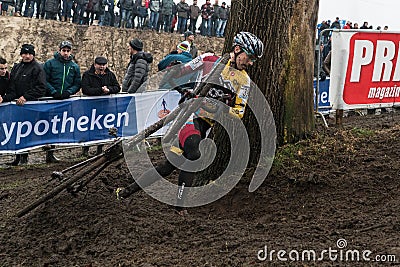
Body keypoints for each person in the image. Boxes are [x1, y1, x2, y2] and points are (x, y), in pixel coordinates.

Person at [115, 32, 264, 216]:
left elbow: (239, 113)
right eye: (249, 57)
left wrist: (220, 109)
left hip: (206, 126)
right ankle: (179, 207)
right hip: (188, 116)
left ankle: (124, 192)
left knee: (167, 166)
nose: (250, 63)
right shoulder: (209, 59)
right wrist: (174, 69)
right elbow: (182, 70)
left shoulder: (244, 81)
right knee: (194, 155)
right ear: (237, 49)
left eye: (253, 60)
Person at [0, 44, 46, 165]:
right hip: (16, 106)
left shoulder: (38, 68)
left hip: (29, 105)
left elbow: (41, 88)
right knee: (17, 130)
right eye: (25, 54)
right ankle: (17, 156)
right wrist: (5, 98)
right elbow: (11, 86)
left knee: (26, 131)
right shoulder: (17, 67)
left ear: (33, 55)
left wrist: (26, 97)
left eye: (30, 54)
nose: (27, 56)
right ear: (21, 55)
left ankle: (24, 157)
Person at [43, 40, 81, 163]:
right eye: (63, 50)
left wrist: (69, 92)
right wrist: (53, 91)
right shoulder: (50, 63)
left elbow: (77, 83)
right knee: (45, 125)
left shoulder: (74, 67)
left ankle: (51, 153)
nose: (65, 53)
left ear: (71, 52)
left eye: (68, 51)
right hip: (49, 99)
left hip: (64, 100)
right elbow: (44, 80)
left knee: (57, 126)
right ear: (59, 50)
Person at [81, 56, 121, 156]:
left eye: (103, 65)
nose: (102, 67)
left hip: (105, 106)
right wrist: (100, 90)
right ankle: (85, 149)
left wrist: (109, 90)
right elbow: (85, 89)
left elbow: (117, 87)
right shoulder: (87, 75)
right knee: (89, 127)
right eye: (100, 65)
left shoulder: (110, 75)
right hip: (90, 106)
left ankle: (100, 148)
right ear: (95, 65)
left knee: (103, 127)